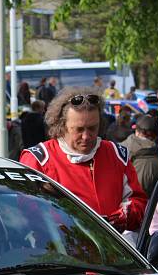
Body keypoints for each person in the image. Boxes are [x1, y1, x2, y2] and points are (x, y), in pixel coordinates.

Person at [19, 87, 147, 232]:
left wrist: (122, 217)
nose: (86, 136)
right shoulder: (38, 159)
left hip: (113, 248)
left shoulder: (116, 154)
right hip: (58, 249)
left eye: (92, 128)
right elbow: (26, 213)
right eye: (79, 130)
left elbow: (138, 201)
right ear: (61, 126)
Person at [123, 114, 158, 235]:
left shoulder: (118, 151)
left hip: (120, 224)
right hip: (148, 230)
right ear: (154, 136)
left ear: (136, 131)